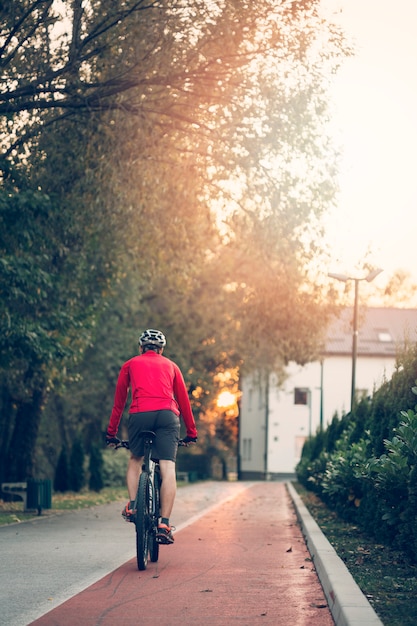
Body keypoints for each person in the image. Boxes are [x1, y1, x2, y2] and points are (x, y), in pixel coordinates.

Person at [105, 329, 197, 544]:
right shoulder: (172, 366)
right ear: (161, 349)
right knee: (167, 467)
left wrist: (111, 433)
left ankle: (134, 505)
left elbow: (119, 403)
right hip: (167, 416)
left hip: (139, 415)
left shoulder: (130, 364)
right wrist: (191, 433)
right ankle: (164, 523)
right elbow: (184, 402)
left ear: (141, 348)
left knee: (135, 459)